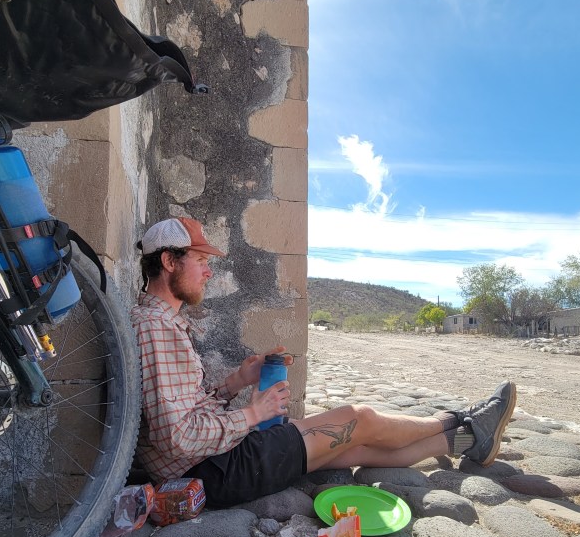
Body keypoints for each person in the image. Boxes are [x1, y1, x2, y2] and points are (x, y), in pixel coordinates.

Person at [130, 217, 518, 507]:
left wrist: (236, 381)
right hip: (212, 470)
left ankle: (468, 440)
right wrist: (253, 414)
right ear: (169, 261)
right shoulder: (155, 327)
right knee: (359, 419)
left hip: (213, 459)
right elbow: (176, 438)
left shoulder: (162, 322)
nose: (209, 271)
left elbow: (183, 412)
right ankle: (458, 418)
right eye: (200, 260)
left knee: (355, 449)